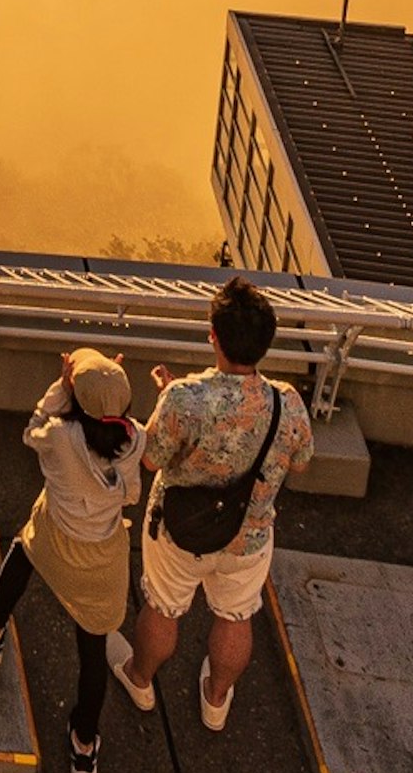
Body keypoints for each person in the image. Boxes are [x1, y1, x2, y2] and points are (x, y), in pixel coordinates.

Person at [113, 273, 314, 734]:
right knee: (235, 617)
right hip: (249, 536)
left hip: (181, 531)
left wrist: (169, 395)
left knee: (163, 608)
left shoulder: (186, 399)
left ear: (214, 337)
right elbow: (300, 463)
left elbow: (150, 459)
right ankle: (216, 699)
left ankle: (140, 680)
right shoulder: (288, 403)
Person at [0, 346, 142, 773]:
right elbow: (133, 490)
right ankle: (83, 747)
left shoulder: (58, 436)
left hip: (55, 534)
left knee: (23, 552)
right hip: (101, 559)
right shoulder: (135, 440)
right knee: (91, 656)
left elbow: (31, 429)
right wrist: (108, 395)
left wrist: (63, 387)